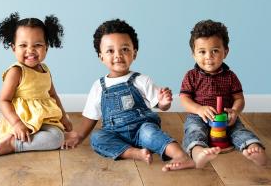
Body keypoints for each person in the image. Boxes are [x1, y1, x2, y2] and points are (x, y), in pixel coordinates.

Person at [63, 19, 194, 171]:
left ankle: (180, 155)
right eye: (110, 51)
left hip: (141, 129)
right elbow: (90, 117)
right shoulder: (99, 86)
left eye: (124, 49)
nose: (118, 55)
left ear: (134, 53)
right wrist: (78, 137)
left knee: (151, 133)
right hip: (115, 133)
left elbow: (161, 105)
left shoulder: (141, 80)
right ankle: (135, 153)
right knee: (97, 138)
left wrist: (164, 101)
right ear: (101, 57)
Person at [180, 19, 267, 167]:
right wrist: (199, 109)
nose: (208, 56)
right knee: (194, 131)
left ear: (225, 52)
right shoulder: (191, 76)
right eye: (202, 52)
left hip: (225, 118)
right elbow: (184, 99)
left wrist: (235, 111)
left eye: (215, 51)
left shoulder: (230, 76)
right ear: (193, 54)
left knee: (238, 130)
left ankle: (253, 148)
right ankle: (198, 152)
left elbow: (239, 98)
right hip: (199, 117)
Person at [0, 12, 72, 157]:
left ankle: (26, 141)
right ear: (13, 48)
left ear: (47, 47)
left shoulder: (45, 69)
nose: (30, 50)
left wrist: (63, 117)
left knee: (58, 134)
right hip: (21, 121)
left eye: (37, 45)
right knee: (56, 139)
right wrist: (17, 123)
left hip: (41, 118)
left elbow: (53, 95)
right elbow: (3, 100)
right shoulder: (16, 71)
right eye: (23, 45)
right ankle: (13, 143)